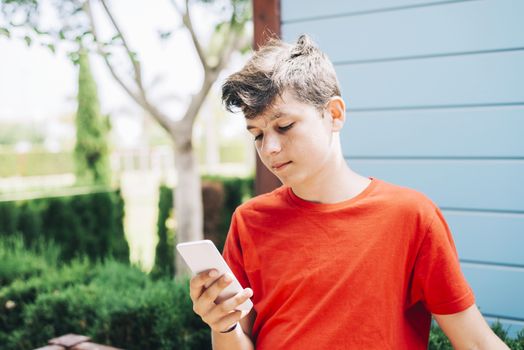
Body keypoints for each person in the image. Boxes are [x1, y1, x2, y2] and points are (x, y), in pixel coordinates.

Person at [188, 35, 509, 349]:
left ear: (335, 114)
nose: (269, 148)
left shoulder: (412, 218)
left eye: (284, 126)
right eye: (257, 135)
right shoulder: (249, 222)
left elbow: (476, 342)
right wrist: (224, 324)